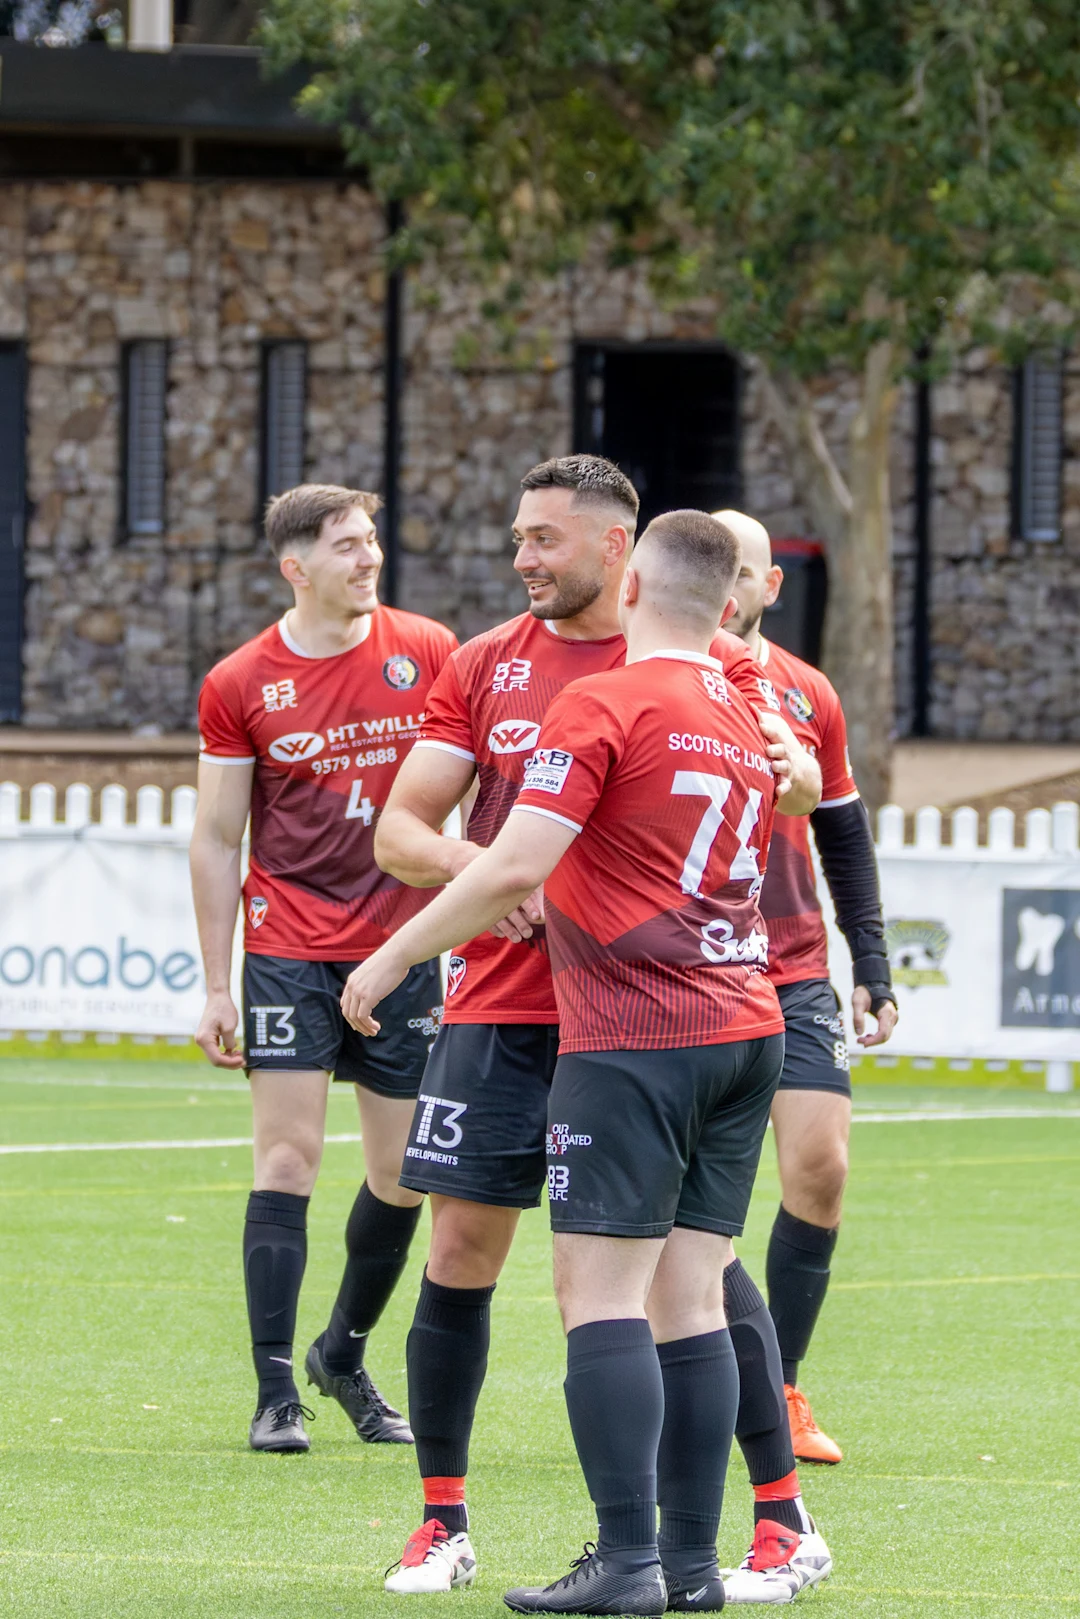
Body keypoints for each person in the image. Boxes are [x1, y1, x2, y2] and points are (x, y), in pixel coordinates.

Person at [352, 455, 820, 1596]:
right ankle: (452, 1521)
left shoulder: (694, 667)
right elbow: (403, 831)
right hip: (534, 1003)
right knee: (473, 1251)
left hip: (626, 1018)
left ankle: (745, 1523)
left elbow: (799, 788)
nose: (522, 556)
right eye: (518, 535)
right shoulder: (490, 662)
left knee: (665, 1285)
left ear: (622, 555)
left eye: (543, 538)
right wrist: (475, 868)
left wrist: (420, 933)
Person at [189, 482, 457, 1453]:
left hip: (403, 944)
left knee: (405, 1172)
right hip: (289, 944)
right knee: (287, 1158)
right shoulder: (240, 681)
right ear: (295, 567)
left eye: (371, 538)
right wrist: (215, 983)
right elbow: (217, 836)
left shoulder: (428, 650)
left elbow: (471, 788)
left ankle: (340, 1352)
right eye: (347, 544)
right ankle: (275, 1390)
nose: (370, 556)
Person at [716, 509, 898, 1472]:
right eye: (713, 569)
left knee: (821, 1168)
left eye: (742, 571)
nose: (727, 588)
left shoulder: (807, 691)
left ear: (771, 584)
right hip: (687, 971)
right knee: (690, 1202)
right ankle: (693, 1377)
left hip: (789, 966)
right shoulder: (652, 677)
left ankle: (780, 1386)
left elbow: (843, 833)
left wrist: (872, 962)